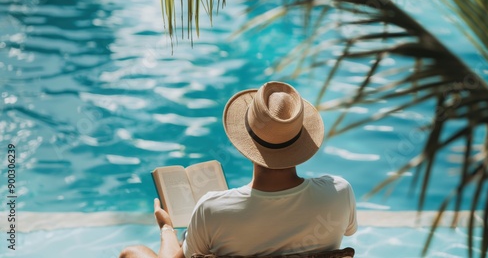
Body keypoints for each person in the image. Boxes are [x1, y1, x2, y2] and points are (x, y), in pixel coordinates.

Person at [120, 81, 357, 258]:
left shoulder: (212, 209)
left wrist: (166, 228)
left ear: (247, 142)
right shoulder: (339, 193)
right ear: (299, 141)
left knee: (132, 252)